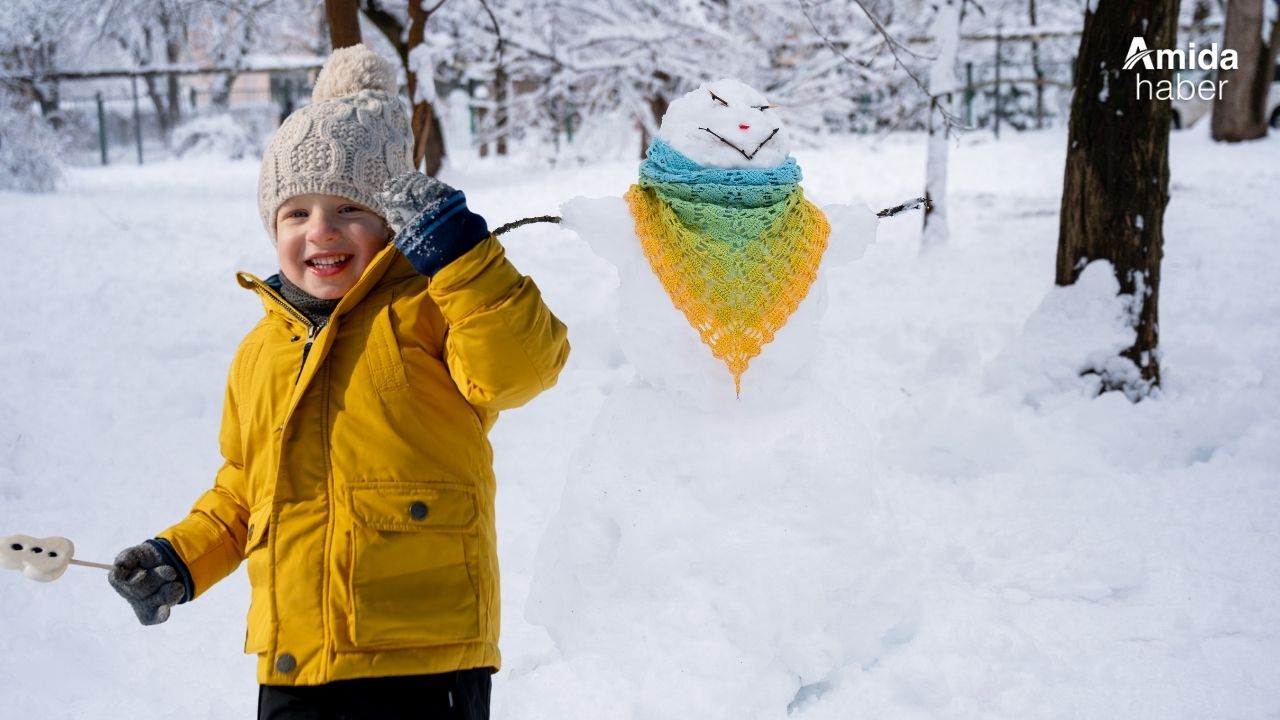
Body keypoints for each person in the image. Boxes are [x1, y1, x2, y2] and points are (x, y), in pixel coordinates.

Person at [106, 44, 569, 720]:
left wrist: (465, 261)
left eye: (348, 208)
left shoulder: (431, 307)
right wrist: (180, 557)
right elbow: (245, 484)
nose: (320, 230)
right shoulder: (262, 348)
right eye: (296, 213)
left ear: (389, 223)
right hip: (296, 662)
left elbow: (520, 370)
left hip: (422, 657)